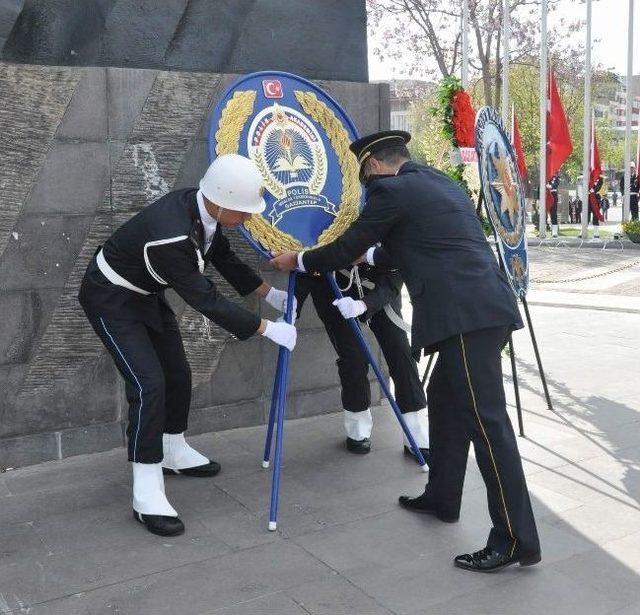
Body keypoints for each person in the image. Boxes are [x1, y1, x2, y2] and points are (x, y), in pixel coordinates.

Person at [271, 130, 541, 573]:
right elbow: (409, 245)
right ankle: (442, 495)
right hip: (477, 310)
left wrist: (298, 261)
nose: (368, 186)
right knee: (443, 399)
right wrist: (368, 258)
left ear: (373, 166)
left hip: (466, 319)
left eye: (365, 177)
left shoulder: (391, 191)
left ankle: (516, 538)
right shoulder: (434, 181)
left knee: (488, 426)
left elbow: (346, 246)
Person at [79, 154, 297, 537]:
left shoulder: (203, 210)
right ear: (219, 201)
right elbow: (205, 299)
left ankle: (173, 449)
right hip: (110, 297)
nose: (249, 218)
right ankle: (146, 488)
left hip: (145, 293)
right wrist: (266, 328)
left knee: (178, 373)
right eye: (243, 211)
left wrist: (270, 295)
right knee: (148, 385)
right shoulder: (173, 236)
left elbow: (223, 258)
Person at [295, 256, 429, 457]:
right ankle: (357, 427)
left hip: (380, 282)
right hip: (332, 283)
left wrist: (366, 304)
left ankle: (416, 432)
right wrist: (293, 303)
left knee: (400, 353)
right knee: (353, 356)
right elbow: (307, 253)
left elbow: (398, 262)